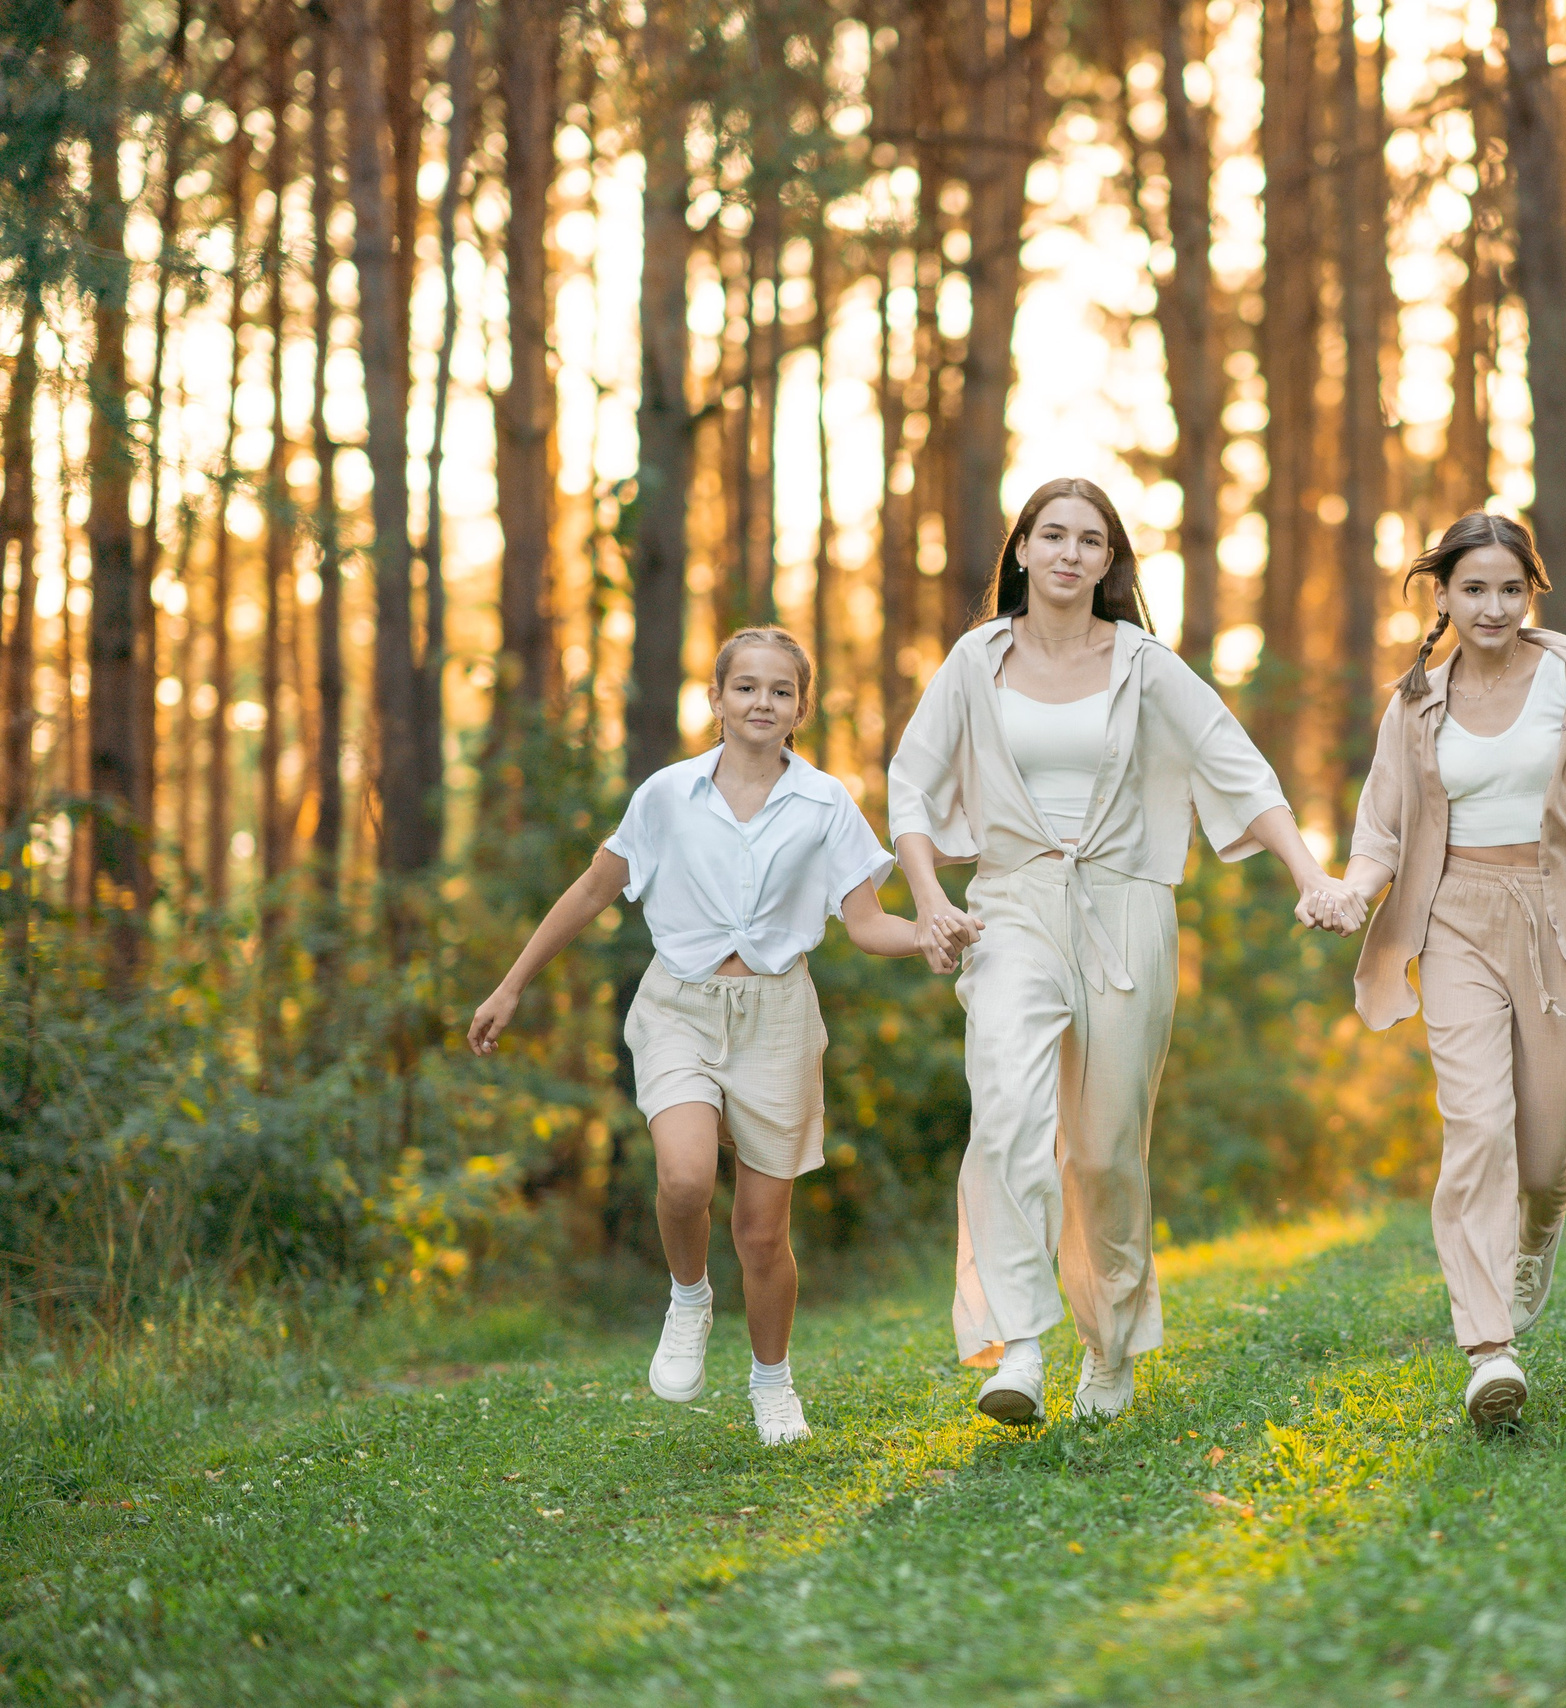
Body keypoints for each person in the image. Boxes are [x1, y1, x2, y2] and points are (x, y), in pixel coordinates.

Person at [889, 476, 1360, 1428]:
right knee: (1006, 1119)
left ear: (1110, 562)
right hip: (1012, 906)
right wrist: (932, 899)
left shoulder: (1146, 665)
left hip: (1127, 909)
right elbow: (910, 786)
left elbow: (1239, 767)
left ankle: (1106, 1349)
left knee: (1103, 1154)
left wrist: (1311, 875)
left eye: (1089, 540)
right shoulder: (974, 661)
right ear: (1020, 551)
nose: (1068, 553)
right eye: (1050, 535)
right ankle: (1018, 1346)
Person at [468, 628, 939, 1446]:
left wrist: (932, 930)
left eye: (781, 691)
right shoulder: (664, 797)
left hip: (779, 1021)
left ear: (800, 708)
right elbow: (590, 892)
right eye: (747, 687)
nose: (763, 702)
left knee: (761, 1232)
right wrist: (512, 984)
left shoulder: (826, 802)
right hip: (679, 1007)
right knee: (684, 1178)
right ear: (716, 699)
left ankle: (772, 1383)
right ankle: (689, 1296)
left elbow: (866, 924)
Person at [1340, 511, 1566, 1428]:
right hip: (1453, 915)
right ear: (1445, 595)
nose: (1494, 606)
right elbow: (1381, 826)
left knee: (1541, 1159)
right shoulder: (1416, 700)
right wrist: (1353, 894)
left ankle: (1536, 1232)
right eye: (1474, 589)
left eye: (1510, 588)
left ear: (1530, 592)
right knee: (1476, 1124)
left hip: (1560, 916)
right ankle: (1487, 1347)